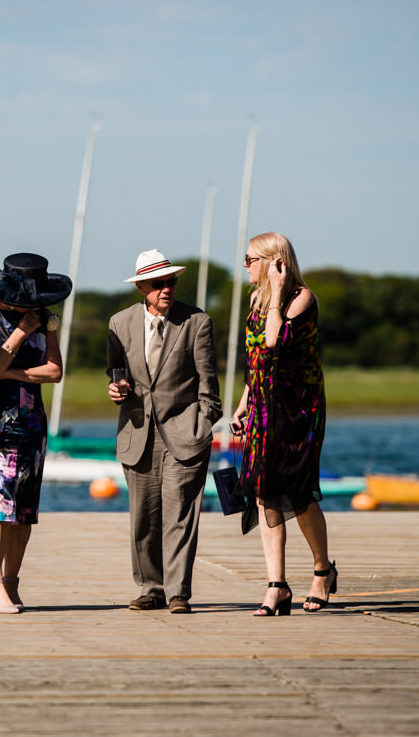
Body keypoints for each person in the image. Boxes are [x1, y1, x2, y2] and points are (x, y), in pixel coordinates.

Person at [107, 249, 221, 614]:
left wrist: (201, 424)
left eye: (171, 282)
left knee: (180, 516)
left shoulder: (197, 322)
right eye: (158, 284)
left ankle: (177, 593)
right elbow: (116, 375)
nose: (166, 289)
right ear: (142, 287)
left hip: (185, 434)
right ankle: (150, 588)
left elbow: (210, 388)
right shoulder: (118, 323)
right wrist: (116, 392)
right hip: (137, 432)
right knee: (144, 519)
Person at [228, 232, 336, 616]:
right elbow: (255, 361)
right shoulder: (256, 304)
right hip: (262, 407)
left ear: (276, 262)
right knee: (263, 494)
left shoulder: (300, 298)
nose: (245, 266)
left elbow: (274, 342)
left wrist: (276, 290)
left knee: (299, 491)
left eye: (250, 259)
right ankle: (277, 585)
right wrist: (242, 404)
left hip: (298, 411)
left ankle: (322, 569)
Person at [0, 252, 71, 615]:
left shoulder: (44, 319)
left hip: (31, 418)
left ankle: (11, 581)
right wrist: (22, 331)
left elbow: (55, 372)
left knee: (24, 505)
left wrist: (12, 370)